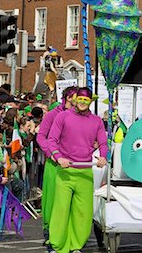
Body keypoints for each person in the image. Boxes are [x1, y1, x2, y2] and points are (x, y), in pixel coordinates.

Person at [47, 87, 107, 253]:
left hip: (85, 172)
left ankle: (76, 246)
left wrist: (103, 156)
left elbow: (103, 142)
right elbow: (51, 140)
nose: (82, 102)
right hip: (65, 171)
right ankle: (58, 246)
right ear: (74, 99)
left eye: (86, 100)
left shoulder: (97, 121)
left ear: (91, 101)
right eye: (79, 99)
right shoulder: (62, 117)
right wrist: (58, 157)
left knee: (83, 212)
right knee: (61, 209)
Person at [36, 86, 78, 246]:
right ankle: (49, 232)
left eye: (76, 101)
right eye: (70, 100)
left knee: (71, 200)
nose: (74, 104)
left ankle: (69, 233)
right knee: (52, 199)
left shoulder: (80, 116)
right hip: (55, 164)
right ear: (64, 99)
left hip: (74, 163)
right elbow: (41, 136)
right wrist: (52, 154)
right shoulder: (52, 115)